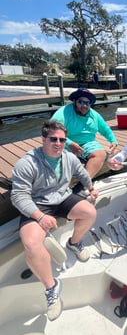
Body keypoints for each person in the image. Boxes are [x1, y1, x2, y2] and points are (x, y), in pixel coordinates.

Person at [11, 120, 98, 321]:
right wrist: (39, 216)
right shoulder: (27, 163)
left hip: (62, 197)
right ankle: (52, 288)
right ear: (43, 139)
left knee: (90, 212)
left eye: (62, 139)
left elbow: (82, 174)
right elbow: (18, 196)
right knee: (32, 244)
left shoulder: (69, 157)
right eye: (53, 139)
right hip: (37, 203)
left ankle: (74, 243)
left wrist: (91, 188)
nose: (58, 143)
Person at [51, 88, 118, 186]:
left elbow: (105, 129)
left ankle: (83, 185)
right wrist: (69, 143)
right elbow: (52, 129)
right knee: (60, 165)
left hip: (88, 143)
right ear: (74, 101)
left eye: (88, 103)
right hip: (65, 142)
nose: (84, 105)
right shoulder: (64, 112)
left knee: (101, 154)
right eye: (81, 102)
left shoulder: (94, 115)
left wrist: (113, 140)